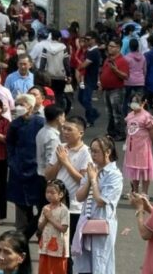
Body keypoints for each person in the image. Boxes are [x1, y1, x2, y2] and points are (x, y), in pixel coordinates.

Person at [72, 136, 123, 274]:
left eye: (96, 152)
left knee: (101, 264)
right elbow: (79, 196)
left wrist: (94, 180)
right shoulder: (92, 170)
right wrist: (89, 180)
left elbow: (101, 201)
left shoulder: (114, 175)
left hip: (102, 225)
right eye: (91, 151)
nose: (93, 155)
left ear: (107, 152)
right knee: (84, 264)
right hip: (86, 223)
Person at [50, 115, 91, 274]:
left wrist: (66, 162)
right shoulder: (60, 148)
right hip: (57, 205)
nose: (64, 132)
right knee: (57, 247)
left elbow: (83, 180)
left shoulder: (86, 153)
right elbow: (48, 175)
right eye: (64, 128)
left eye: (69, 129)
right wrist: (59, 162)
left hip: (75, 208)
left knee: (72, 249)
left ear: (80, 133)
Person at [7, 94, 45, 242]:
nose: (18, 107)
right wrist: (12, 161)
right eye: (17, 104)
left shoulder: (41, 123)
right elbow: (9, 144)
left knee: (40, 203)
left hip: (37, 169)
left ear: (30, 106)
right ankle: (21, 233)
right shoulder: (15, 124)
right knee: (21, 203)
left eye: (22, 104)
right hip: (18, 168)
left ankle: (39, 230)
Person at [124, 91, 153, 196]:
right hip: (132, 148)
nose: (134, 104)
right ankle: (135, 191)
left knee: (144, 171)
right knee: (134, 169)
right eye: (133, 101)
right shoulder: (130, 115)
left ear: (144, 102)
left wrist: (150, 143)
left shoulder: (146, 117)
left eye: (137, 102)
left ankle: (144, 193)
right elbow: (128, 129)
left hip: (143, 148)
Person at [98, 40, 129, 142]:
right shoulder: (108, 59)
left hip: (117, 90)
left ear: (118, 48)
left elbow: (126, 76)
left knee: (117, 113)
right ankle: (111, 132)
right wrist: (101, 83)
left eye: (112, 46)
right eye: (109, 46)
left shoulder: (122, 61)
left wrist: (115, 70)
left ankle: (120, 133)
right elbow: (103, 72)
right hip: (107, 89)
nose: (110, 48)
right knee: (110, 113)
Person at [38, 179, 70, 274]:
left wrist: (50, 218)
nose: (49, 195)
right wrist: (45, 218)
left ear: (60, 195)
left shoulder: (64, 210)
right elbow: (40, 227)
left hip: (58, 248)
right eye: (47, 192)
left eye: (52, 192)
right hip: (45, 246)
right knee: (44, 270)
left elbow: (63, 229)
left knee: (57, 271)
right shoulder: (45, 208)